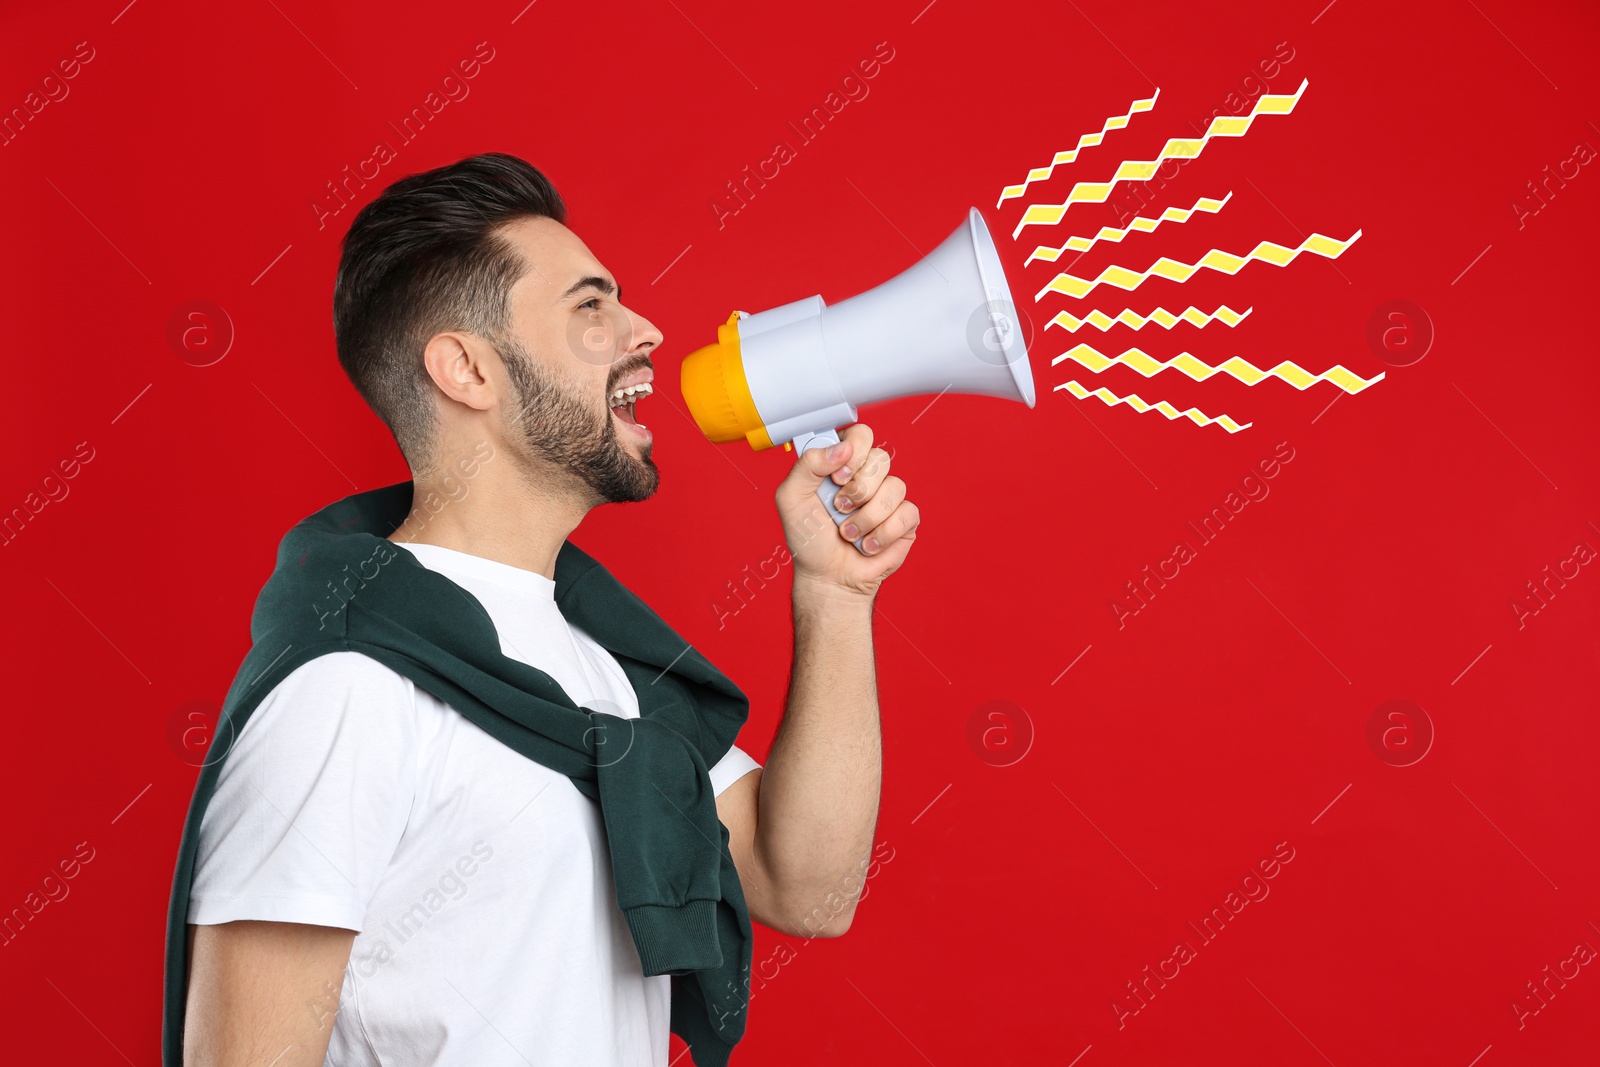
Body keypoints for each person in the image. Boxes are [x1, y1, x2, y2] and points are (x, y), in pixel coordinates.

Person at [176, 152, 920, 1066]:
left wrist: (836, 594)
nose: (644, 329)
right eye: (590, 307)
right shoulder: (346, 689)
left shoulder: (604, 661)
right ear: (466, 370)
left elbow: (806, 885)